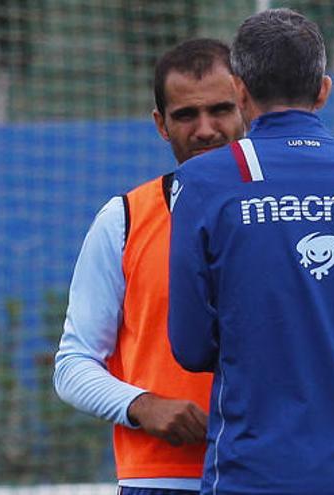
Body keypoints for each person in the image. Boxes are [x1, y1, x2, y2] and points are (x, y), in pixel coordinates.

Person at [167, 9, 334, 495]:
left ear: (240, 92)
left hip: (252, 475)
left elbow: (190, 346)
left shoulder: (203, 183)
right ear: (324, 90)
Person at [53, 38, 245, 494]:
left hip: (270, 474)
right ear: (160, 124)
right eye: (185, 115)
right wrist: (143, 404)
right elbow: (73, 364)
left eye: (221, 109)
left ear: (247, 107)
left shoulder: (286, 213)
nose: (205, 129)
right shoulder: (124, 219)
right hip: (162, 479)